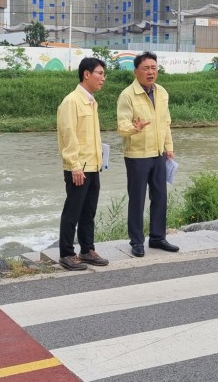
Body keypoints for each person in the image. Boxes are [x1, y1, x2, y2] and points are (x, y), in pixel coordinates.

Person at [117, 51, 179, 257]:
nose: (150, 72)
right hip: (137, 154)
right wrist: (135, 128)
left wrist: (169, 147)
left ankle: (157, 237)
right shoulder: (127, 95)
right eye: (146, 68)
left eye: (153, 68)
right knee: (137, 199)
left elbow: (166, 122)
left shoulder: (162, 92)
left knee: (160, 196)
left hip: (159, 153)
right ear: (136, 72)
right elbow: (122, 125)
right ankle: (136, 241)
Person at [57, 57, 109, 270]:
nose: (103, 78)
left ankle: (87, 250)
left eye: (104, 74)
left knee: (89, 211)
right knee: (73, 211)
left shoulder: (91, 101)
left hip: (93, 165)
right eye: (100, 73)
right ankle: (66, 253)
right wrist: (75, 165)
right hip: (78, 167)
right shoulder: (72, 101)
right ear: (86, 74)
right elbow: (68, 135)